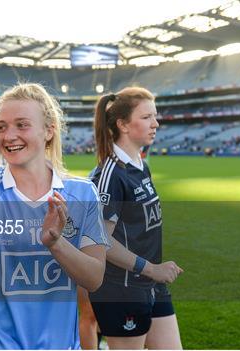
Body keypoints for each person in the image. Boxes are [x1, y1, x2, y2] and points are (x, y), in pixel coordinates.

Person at [0, 83, 109, 349]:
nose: (9, 136)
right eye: (1, 127)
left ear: (49, 130)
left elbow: (94, 278)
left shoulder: (82, 193)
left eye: (21, 125)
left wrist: (57, 243)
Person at [85, 87, 184, 349]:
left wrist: (153, 273)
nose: (156, 123)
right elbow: (100, 240)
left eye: (155, 116)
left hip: (152, 285)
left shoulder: (142, 167)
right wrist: (151, 268)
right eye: (146, 117)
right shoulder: (110, 175)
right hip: (122, 289)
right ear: (123, 125)